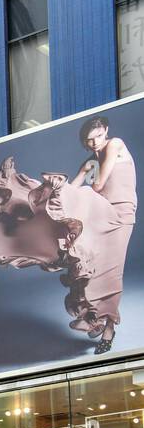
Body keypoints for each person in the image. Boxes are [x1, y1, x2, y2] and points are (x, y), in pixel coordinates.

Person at [69, 114, 137, 353]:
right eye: (89, 140)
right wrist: (80, 172)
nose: (95, 142)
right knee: (91, 267)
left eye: (98, 136)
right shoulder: (92, 160)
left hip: (121, 213)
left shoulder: (115, 144)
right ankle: (95, 318)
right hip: (100, 215)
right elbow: (71, 193)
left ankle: (109, 327)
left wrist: (90, 169)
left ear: (105, 130)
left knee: (112, 270)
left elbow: (97, 186)